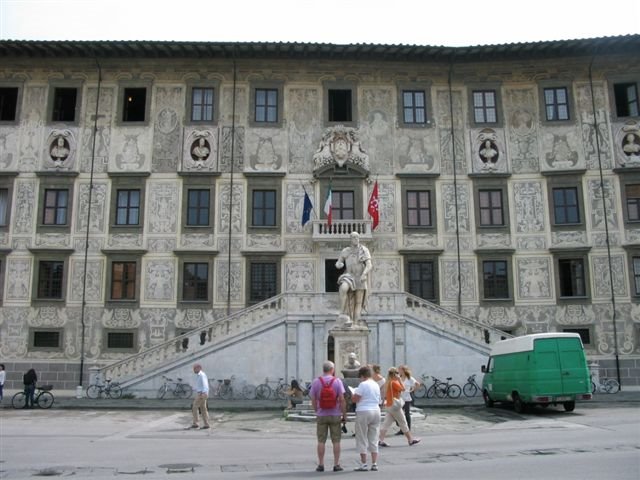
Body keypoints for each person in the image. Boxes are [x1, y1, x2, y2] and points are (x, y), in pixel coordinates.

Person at [309, 361, 347, 472]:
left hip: (322, 414)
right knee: (336, 441)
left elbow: (313, 399)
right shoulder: (337, 381)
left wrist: (317, 411)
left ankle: (321, 464)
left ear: (323, 369)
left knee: (321, 441)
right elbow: (342, 399)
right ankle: (336, 464)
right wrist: (344, 414)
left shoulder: (316, 381)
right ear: (332, 369)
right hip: (335, 414)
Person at [335, 231, 372, 325]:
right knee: (343, 289)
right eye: (354, 237)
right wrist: (339, 264)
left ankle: (354, 323)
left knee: (358, 302)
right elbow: (338, 262)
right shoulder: (345, 251)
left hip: (360, 277)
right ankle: (342, 312)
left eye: (357, 237)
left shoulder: (364, 250)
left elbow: (369, 265)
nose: (356, 239)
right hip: (349, 276)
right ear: (350, 239)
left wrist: (364, 274)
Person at [377, 367, 421, 447]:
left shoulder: (388, 382)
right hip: (395, 406)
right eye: (397, 373)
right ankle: (410, 440)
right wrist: (399, 380)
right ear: (395, 374)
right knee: (403, 422)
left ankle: (380, 440)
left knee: (386, 423)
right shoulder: (394, 382)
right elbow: (403, 389)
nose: (398, 375)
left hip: (389, 405)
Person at [351, 365, 382, 471]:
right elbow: (379, 400)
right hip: (376, 410)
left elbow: (355, 399)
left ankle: (364, 464)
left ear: (362, 375)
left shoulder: (362, 385)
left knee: (362, 437)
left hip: (363, 411)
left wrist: (352, 394)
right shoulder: (376, 385)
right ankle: (374, 463)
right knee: (374, 437)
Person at [397, 365, 420, 434]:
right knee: (398, 414)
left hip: (406, 398)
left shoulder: (409, 378)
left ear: (403, 370)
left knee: (406, 413)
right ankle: (401, 428)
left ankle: (407, 429)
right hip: (399, 398)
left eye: (400, 370)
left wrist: (412, 390)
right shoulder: (399, 378)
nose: (398, 371)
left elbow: (417, 384)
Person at [190, 364, 210, 429]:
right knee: (203, 409)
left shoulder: (202, 375)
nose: (193, 370)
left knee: (194, 407)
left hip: (202, 394)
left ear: (199, 368)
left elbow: (205, 384)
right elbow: (200, 385)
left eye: (194, 369)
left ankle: (195, 423)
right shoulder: (199, 375)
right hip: (202, 393)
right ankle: (206, 424)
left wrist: (203, 393)